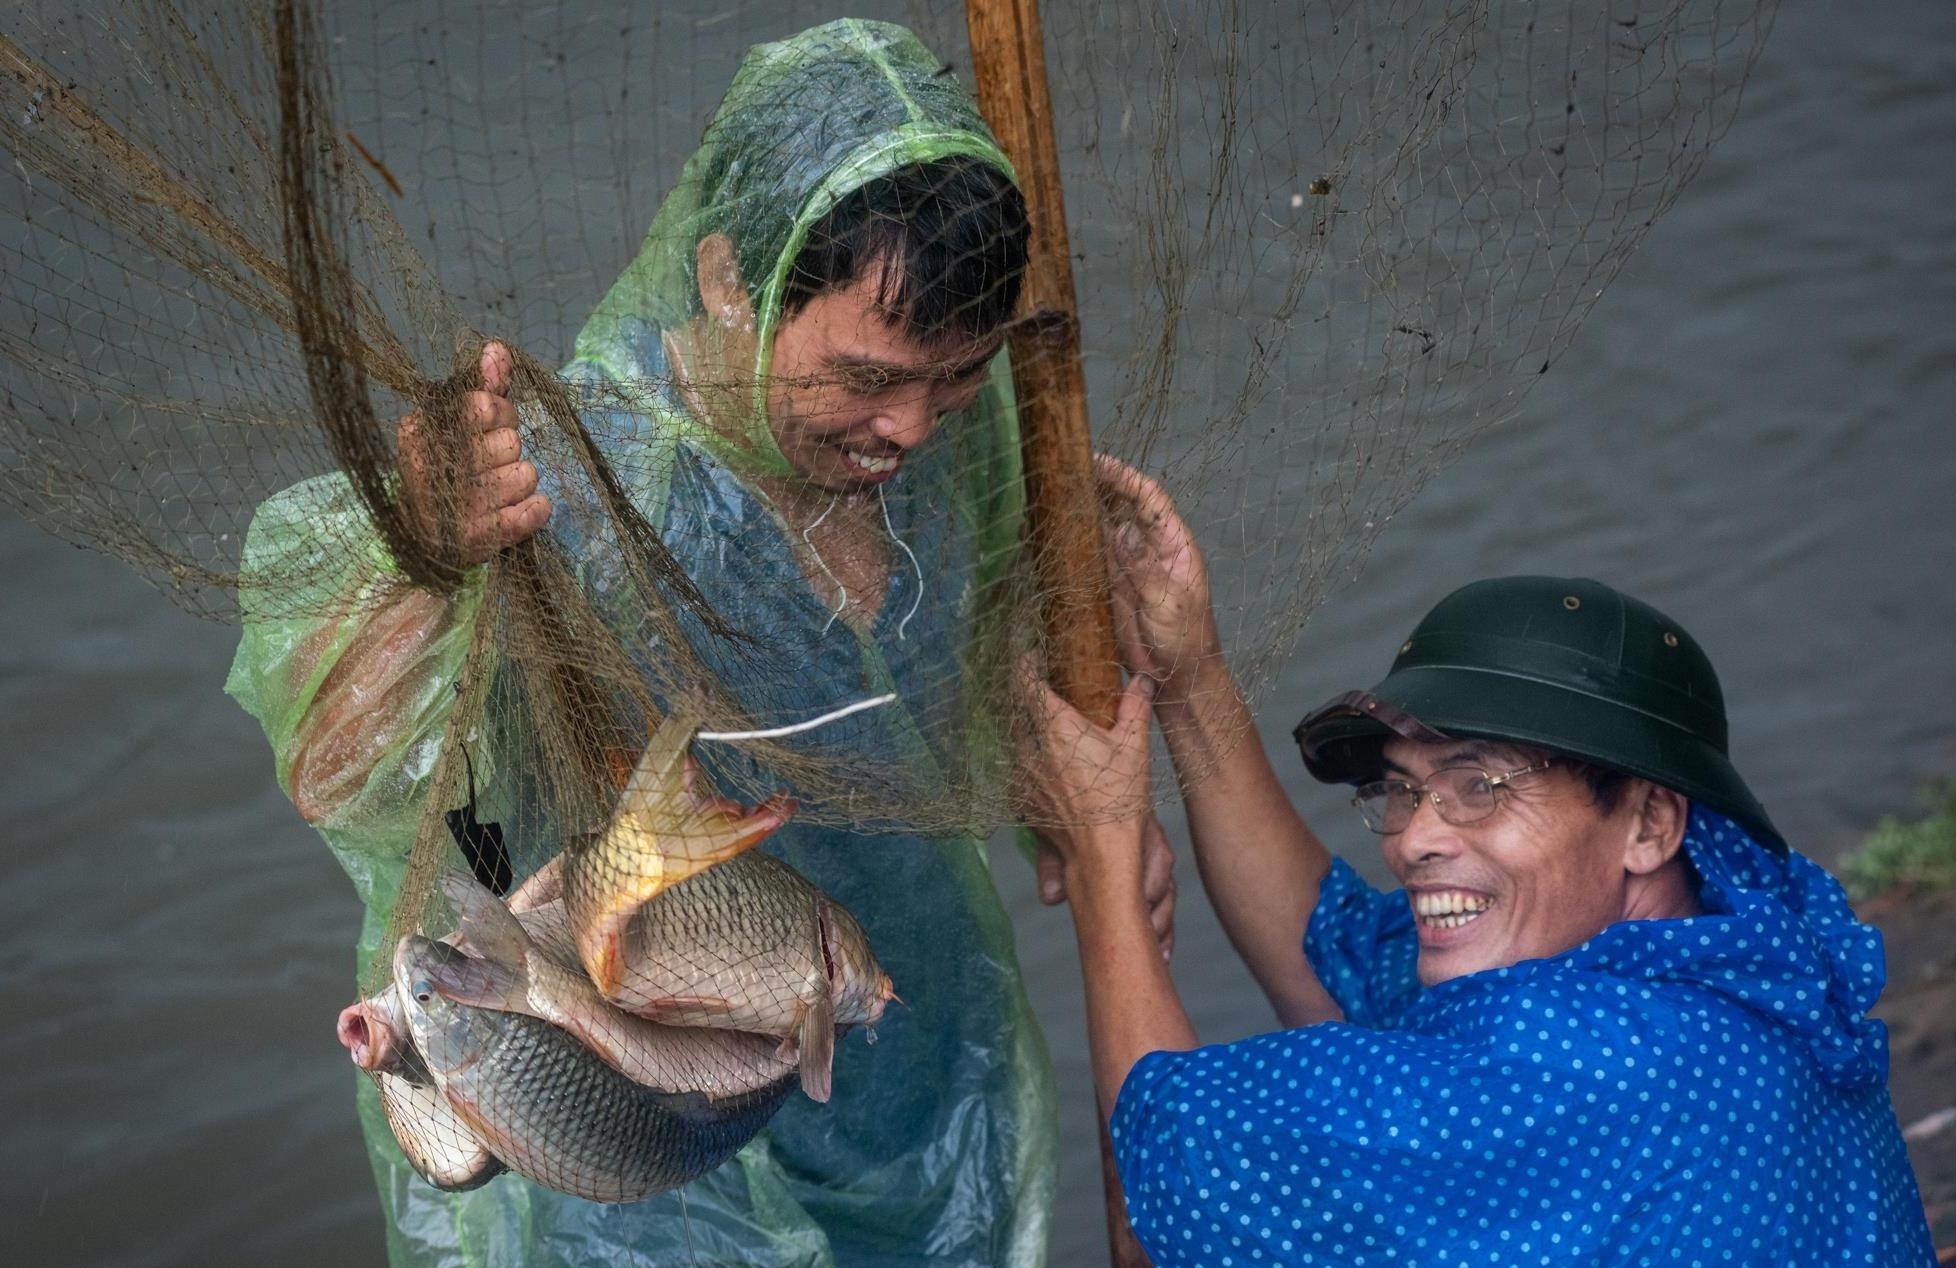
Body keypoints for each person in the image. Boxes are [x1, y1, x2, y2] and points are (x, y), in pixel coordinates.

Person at [227, 21, 1169, 1267]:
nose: (911, 426)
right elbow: (338, 763)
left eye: (954, 378)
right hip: (628, 1146)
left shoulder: (954, 432)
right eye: (867, 378)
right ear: (729, 279)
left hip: (909, 1058)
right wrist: (426, 556)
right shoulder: (574, 489)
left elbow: (983, 624)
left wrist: (1064, 788)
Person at [1020, 459, 1937, 1266]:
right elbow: (1334, 962)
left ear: (1650, 822)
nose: (1413, 838)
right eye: (1404, 789)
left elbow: (1176, 1156)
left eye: (1481, 785)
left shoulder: (1577, 1063)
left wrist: (1102, 857)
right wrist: (1188, 678)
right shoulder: (1736, 951)